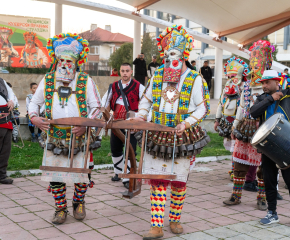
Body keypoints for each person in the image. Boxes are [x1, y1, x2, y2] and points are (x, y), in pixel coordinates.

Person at [134, 24, 210, 239]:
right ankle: (156, 225)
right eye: (167, 55)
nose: (170, 59)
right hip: (157, 134)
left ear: (184, 54)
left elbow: (203, 108)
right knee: (158, 179)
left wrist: (186, 123)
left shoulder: (195, 79)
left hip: (183, 135)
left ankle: (175, 219)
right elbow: (146, 101)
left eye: (174, 54)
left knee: (178, 180)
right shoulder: (157, 75)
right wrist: (141, 116)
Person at [29, 33, 102, 224]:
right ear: (57, 60)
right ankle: (60, 208)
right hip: (54, 136)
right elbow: (34, 104)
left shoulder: (86, 81)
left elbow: (97, 108)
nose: (64, 64)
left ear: (76, 62)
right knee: (55, 174)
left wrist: (86, 124)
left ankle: (78, 203)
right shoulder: (47, 79)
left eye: (69, 61)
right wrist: (34, 118)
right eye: (61, 60)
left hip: (80, 136)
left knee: (82, 173)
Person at [223, 40, 275, 211]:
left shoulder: (273, 88)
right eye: (253, 61)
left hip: (264, 129)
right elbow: (242, 107)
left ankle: (261, 198)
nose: (255, 66)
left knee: (263, 166)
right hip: (245, 128)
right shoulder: (245, 85)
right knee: (239, 164)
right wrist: (234, 126)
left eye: (258, 61)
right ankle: (236, 195)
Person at [250, 70, 290, 225]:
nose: (264, 86)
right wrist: (270, 99)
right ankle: (272, 213)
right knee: (269, 180)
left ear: (277, 82)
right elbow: (253, 113)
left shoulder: (287, 96)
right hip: (268, 147)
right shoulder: (261, 99)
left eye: (267, 82)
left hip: (286, 145)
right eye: (262, 83)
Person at [102, 63, 145, 189]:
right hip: (115, 122)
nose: (125, 73)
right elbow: (105, 101)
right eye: (122, 71)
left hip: (131, 122)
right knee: (115, 148)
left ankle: (128, 177)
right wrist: (103, 116)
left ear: (131, 72)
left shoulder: (139, 86)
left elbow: (145, 102)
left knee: (130, 150)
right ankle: (118, 172)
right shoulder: (113, 86)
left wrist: (139, 118)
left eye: (127, 71)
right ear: (119, 72)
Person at [214, 56, 249, 180]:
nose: (231, 79)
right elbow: (221, 103)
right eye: (229, 76)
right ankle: (235, 169)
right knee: (232, 147)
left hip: (240, 122)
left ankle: (240, 171)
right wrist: (217, 120)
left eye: (233, 76)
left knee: (238, 146)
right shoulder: (226, 88)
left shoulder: (246, 87)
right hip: (226, 121)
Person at [0, 77, 14, 184]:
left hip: (5, 120)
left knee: (5, 149)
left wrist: (12, 101)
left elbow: (11, 94)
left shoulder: (2, 81)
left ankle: (2, 175)